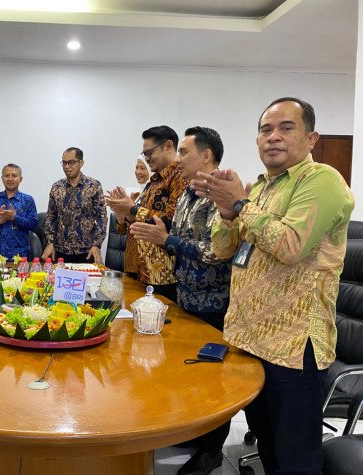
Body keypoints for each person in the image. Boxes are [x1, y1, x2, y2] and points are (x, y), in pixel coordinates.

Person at [193, 97, 354, 474]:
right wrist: (226, 213)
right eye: (266, 130)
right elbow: (222, 250)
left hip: (297, 343)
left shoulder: (323, 180)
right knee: (267, 441)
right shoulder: (260, 188)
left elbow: (290, 247)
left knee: (296, 455)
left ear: (311, 138)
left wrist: (241, 205)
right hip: (251, 338)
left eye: (286, 128)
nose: (274, 137)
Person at [130, 126, 232, 475]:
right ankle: (196, 434)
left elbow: (216, 252)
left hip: (214, 301)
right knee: (188, 374)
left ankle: (212, 451)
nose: (179, 159)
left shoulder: (221, 194)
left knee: (213, 379)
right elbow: (175, 234)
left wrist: (167, 241)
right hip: (186, 296)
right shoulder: (189, 192)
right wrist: (159, 233)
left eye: (185, 153)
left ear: (206, 155)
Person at [105, 126, 188, 302]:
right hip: (138, 267)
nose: (147, 158)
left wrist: (133, 209)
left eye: (149, 153)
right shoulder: (154, 181)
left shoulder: (179, 177)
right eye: (144, 153)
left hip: (161, 272)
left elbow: (172, 220)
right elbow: (135, 224)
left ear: (168, 146)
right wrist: (123, 213)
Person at [42, 147, 107, 264]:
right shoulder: (57, 187)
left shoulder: (93, 186)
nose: (67, 166)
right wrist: (50, 242)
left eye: (71, 162)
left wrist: (97, 245)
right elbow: (51, 216)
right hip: (60, 250)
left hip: (87, 250)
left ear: (81, 163)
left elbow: (101, 217)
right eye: (64, 163)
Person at [0, 163, 38, 259]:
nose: (10, 179)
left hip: (19, 256)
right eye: (6, 175)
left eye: (14, 176)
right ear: (2, 178)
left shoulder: (27, 200)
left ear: (20, 179)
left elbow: (33, 224)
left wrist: (14, 218)